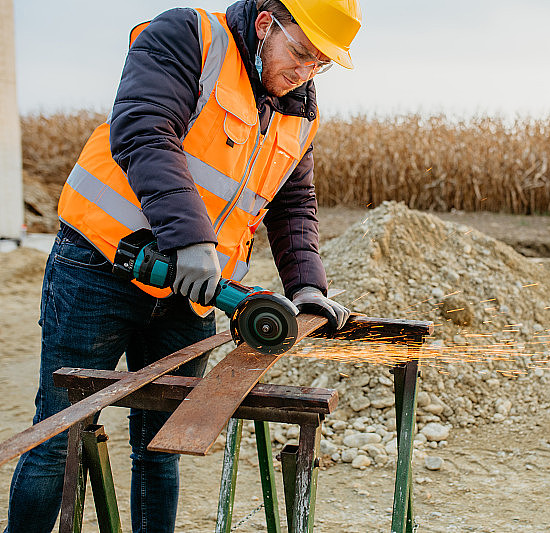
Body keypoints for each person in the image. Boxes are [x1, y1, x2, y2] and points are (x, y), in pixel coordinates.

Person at [5, 0, 361, 531]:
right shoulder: (189, 37)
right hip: (99, 266)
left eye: (320, 63)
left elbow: (293, 203)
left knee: (160, 447)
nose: (306, 72)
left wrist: (307, 286)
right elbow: (144, 130)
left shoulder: (298, 107)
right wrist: (192, 240)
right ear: (266, 24)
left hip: (190, 291)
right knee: (59, 435)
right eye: (301, 53)